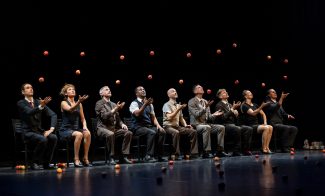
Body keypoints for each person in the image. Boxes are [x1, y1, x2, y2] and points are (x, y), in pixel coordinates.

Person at [17, 83, 57, 170]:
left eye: (31, 87)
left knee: (53, 137)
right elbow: (29, 112)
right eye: (27, 88)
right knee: (43, 139)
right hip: (28, 132)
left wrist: (51, 129)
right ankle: (34, 162)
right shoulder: (21, 103)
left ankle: (46, 163)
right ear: (23, 92)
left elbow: (53, 114)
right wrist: (41, 106)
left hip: (39, 131)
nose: (31, 89)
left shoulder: (38, 102)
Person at [188, 84, 229, 158]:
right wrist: (205, 107)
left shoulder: (205, 101)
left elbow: (209, 117)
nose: (201, 88)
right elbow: (196, 114)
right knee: (206, 127)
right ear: (195, 91)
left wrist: (214, 115)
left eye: (201, 87)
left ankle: (220, 150)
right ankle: (206, 152)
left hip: (205, 123)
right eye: (199, 87)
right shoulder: (191, 101)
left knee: (221, 127)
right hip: (196, 124)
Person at [95, 86, 133, 164]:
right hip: (102, 128)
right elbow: (104, 117)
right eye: (106, 89)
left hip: (113, 129)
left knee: (128, 132)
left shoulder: (113, 104)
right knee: (110, 134)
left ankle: (123, 157)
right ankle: (111, 157)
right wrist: (115, 109)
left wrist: (122, 124)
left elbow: (118, 119)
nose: (109, 90)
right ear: (101, 93)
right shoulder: (99, 103)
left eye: (109, 89)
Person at [129, 86, 166, 162]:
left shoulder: (150, 104)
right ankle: (148, 156)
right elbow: (137, 114)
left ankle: (159, 155)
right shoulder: (134, 103)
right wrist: (145, 104)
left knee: (162, 131)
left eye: (143, 89)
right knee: (151, 132)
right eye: (140, 90)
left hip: (148, 126)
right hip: (138, 127)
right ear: (136, 93)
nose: (143, 90)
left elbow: (153, 117)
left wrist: (158, 125)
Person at [59, 84, 92, 167]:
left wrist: (85, 127)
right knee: (79, 134)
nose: (72, 90)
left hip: (76, 129)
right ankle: (76, 159)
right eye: (70, 89)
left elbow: (83, 119)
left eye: (73, 89)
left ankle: (85, 158)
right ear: (66, 93)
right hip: (65, 130)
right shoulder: (63, 103)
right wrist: (79, 102)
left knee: (87, 133)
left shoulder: (79, 104)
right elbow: (70, 109)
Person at [162, 88, 198, 160]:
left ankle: (193, 153)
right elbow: (169, 117)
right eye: (173, 91)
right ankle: (176, 154)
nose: (175, 92)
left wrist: (185, 125)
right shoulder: (166, 105)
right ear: (168, 95)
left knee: (193, 131)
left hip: (177, 126)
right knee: (176, 132)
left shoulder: (178, 105)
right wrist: (178, 109)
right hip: (168, 126)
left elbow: (181, 118)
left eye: (175, 91)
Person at [215, 89, 253, 156]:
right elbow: (223, 118)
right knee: (236, 129)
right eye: (224, 92)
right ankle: (236, 151)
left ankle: (246, 149)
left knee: (248, 128)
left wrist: (236, 113)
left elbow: (233, 117)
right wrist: (232, 109)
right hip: (225, 125)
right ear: (220, 96)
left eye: (226, 91)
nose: (226, 92)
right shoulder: (219, 105)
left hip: (233, 124)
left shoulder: (229, 104)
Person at [238, 90, 273, 154]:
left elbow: (263, 114)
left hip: (256, 125)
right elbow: (253, 113)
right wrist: (261, 106)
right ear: (245, 96)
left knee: (270, 127)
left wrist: (265, 122)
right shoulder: (244, 105)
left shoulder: (255, 105)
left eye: (251, 92)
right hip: (249, 126)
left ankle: (267, 147)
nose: (251, 93)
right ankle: (263, 148)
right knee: (266, 128)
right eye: (249, 93)